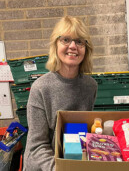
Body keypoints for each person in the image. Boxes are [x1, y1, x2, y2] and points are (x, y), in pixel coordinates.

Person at [23, 16, 98, 171]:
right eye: (65, 40)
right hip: (45, 166)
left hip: (73, 162)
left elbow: (84, 130)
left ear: (86, 48)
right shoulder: (41, 88)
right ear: (55, 45)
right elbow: (38, 145)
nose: (73, 46)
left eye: (79, 41)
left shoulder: (90, 86)